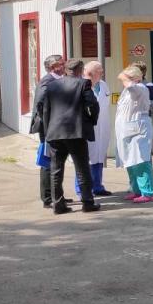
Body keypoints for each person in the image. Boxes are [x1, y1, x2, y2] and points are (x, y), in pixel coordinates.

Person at [39, 58, 101, 214]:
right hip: (76, 132)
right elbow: (93, 104)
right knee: (82, 168)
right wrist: (91, 121)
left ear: (66, 70)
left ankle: (58, 205)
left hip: (55, 132)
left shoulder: (52, 85)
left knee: (56, 170)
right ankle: (87, 203)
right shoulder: (83, 83)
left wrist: (47, 131)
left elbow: (45, 110)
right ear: (80, 70)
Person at [114, 65, 153, 203]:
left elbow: (130, 86)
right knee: (129, 162)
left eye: (129, 78)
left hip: (138, 130)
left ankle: (147, 192)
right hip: (126, 130)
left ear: (136, 78)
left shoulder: (140, 88)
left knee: (140, 161)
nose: (124, 81)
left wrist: (124, 76)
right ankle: (136, 190)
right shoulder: (127, 91)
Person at [29, 54, 66, 208]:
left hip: (56, 127)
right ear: (52, 67)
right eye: (60, 64)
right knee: (48, 162)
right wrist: (48, 124)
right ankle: (48, 198)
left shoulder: (59, 80)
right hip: (48, 128)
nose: (63, 66)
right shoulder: (47, 81)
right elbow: (40, 104)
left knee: (57, 162)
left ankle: (57, 195)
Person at [76, 61, 113, 197]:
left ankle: (97, 186)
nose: (102, 73)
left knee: (99, 157)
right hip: (87, 127)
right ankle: (82, 189)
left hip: (102, 127)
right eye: (99, 71)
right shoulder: (80, 85)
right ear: (90, 73)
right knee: (84, 160)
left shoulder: (103, 85)